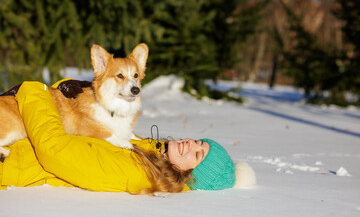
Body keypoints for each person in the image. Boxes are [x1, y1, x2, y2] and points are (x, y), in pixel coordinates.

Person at [0, 80, 256, 194]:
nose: (192, 144)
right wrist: (73, 88)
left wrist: (34, 91)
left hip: (11, 159)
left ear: (190, 175)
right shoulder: (147, 151)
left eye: (198, 154)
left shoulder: (133, 172)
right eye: (200, 142)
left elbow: (53, 149)